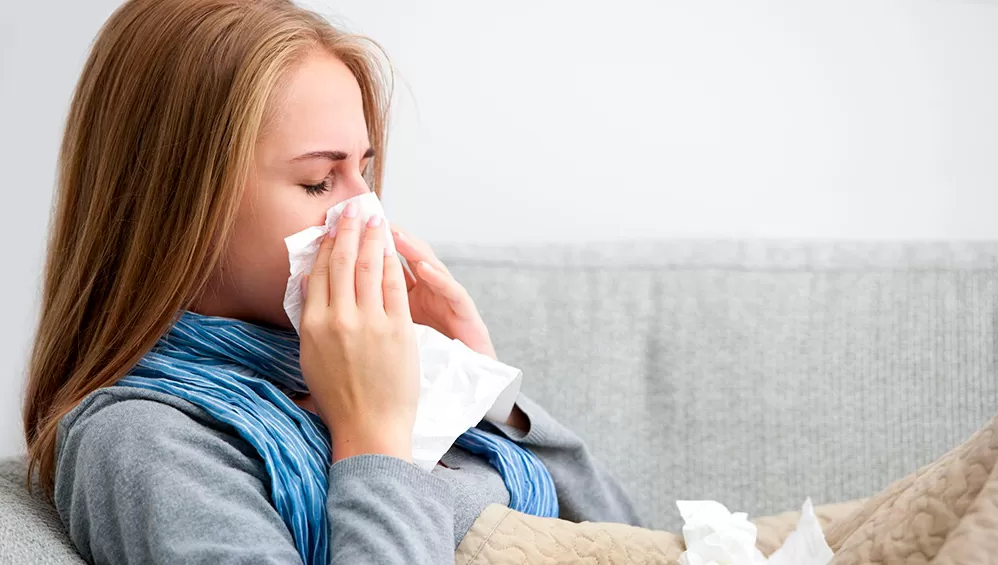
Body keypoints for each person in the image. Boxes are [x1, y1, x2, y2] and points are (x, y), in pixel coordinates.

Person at [21, 0, 639, 563]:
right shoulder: (146, 439)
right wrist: (372, 439)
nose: (365, 210)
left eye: (364, 173)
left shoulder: (366, 373)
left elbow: (626, 540)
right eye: (320, 181)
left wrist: (482, 386)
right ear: (179, 206)